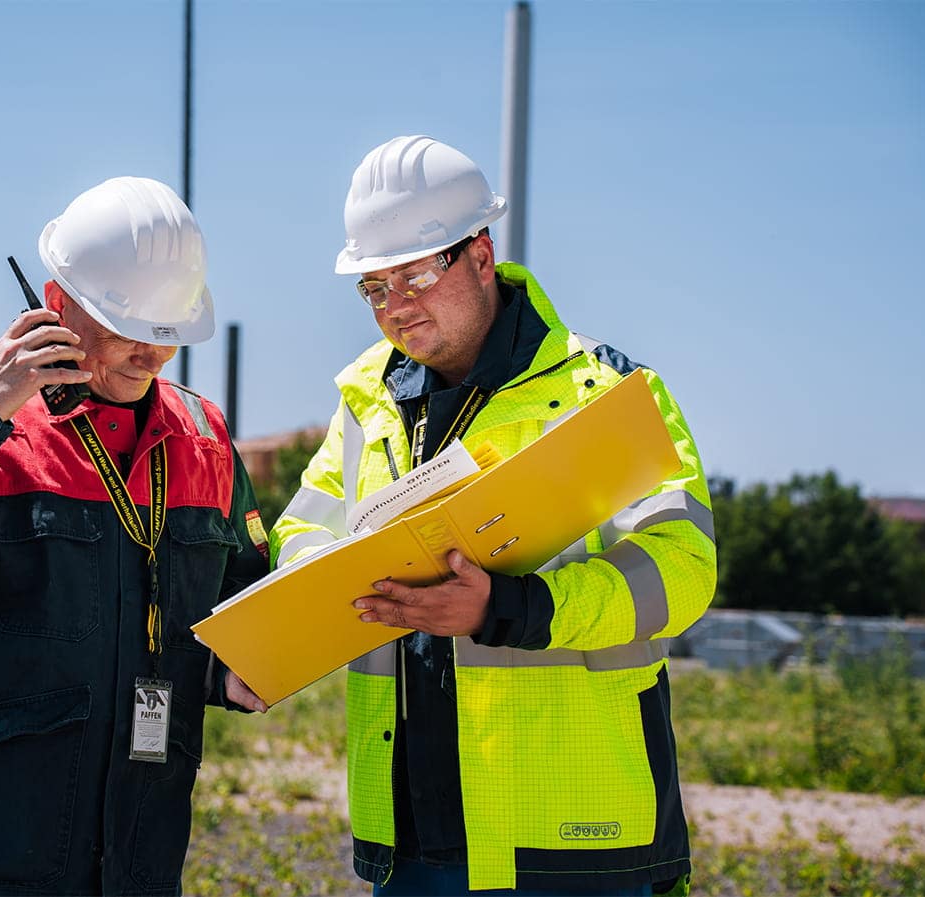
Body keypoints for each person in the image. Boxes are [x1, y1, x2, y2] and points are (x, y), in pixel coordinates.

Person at [267, 136, 715, 896]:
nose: (396, 307)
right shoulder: (365, 405)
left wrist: (510, 606)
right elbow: (299, 533)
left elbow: (680, 571)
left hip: (575, 835)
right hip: (412, 835)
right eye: (375, 287)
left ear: (481, 254)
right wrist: (324, 580)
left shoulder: (602, 392)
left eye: (414, 274)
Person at [0, 176, 272, 896]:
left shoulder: (205, 438)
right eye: (129, 326)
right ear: (54, 304)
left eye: (168, 332)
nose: (152, 354)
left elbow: (237, 604)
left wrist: (238, 668)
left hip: (138, 861)